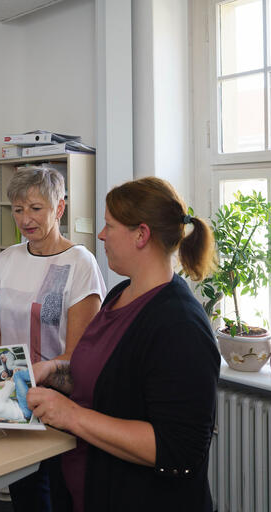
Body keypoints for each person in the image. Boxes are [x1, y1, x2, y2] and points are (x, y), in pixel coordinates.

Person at [27, 177, 220, 512]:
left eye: (109, 225)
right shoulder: (120, 294)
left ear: (141, 235)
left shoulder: (181, 326)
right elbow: (110, 381)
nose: (101, 235)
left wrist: (71, 416)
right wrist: (55, 372)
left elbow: (178, 449)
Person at [0, 165, 106, 512]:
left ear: (59, 208)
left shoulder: (80, 263)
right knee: (26, 497)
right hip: (11, 400)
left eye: (36, 208)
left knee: (59, 496)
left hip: (58, 401)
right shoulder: (6, 259)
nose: (25, 219)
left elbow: (78, 356)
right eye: (18, 209)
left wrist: (35, 378)